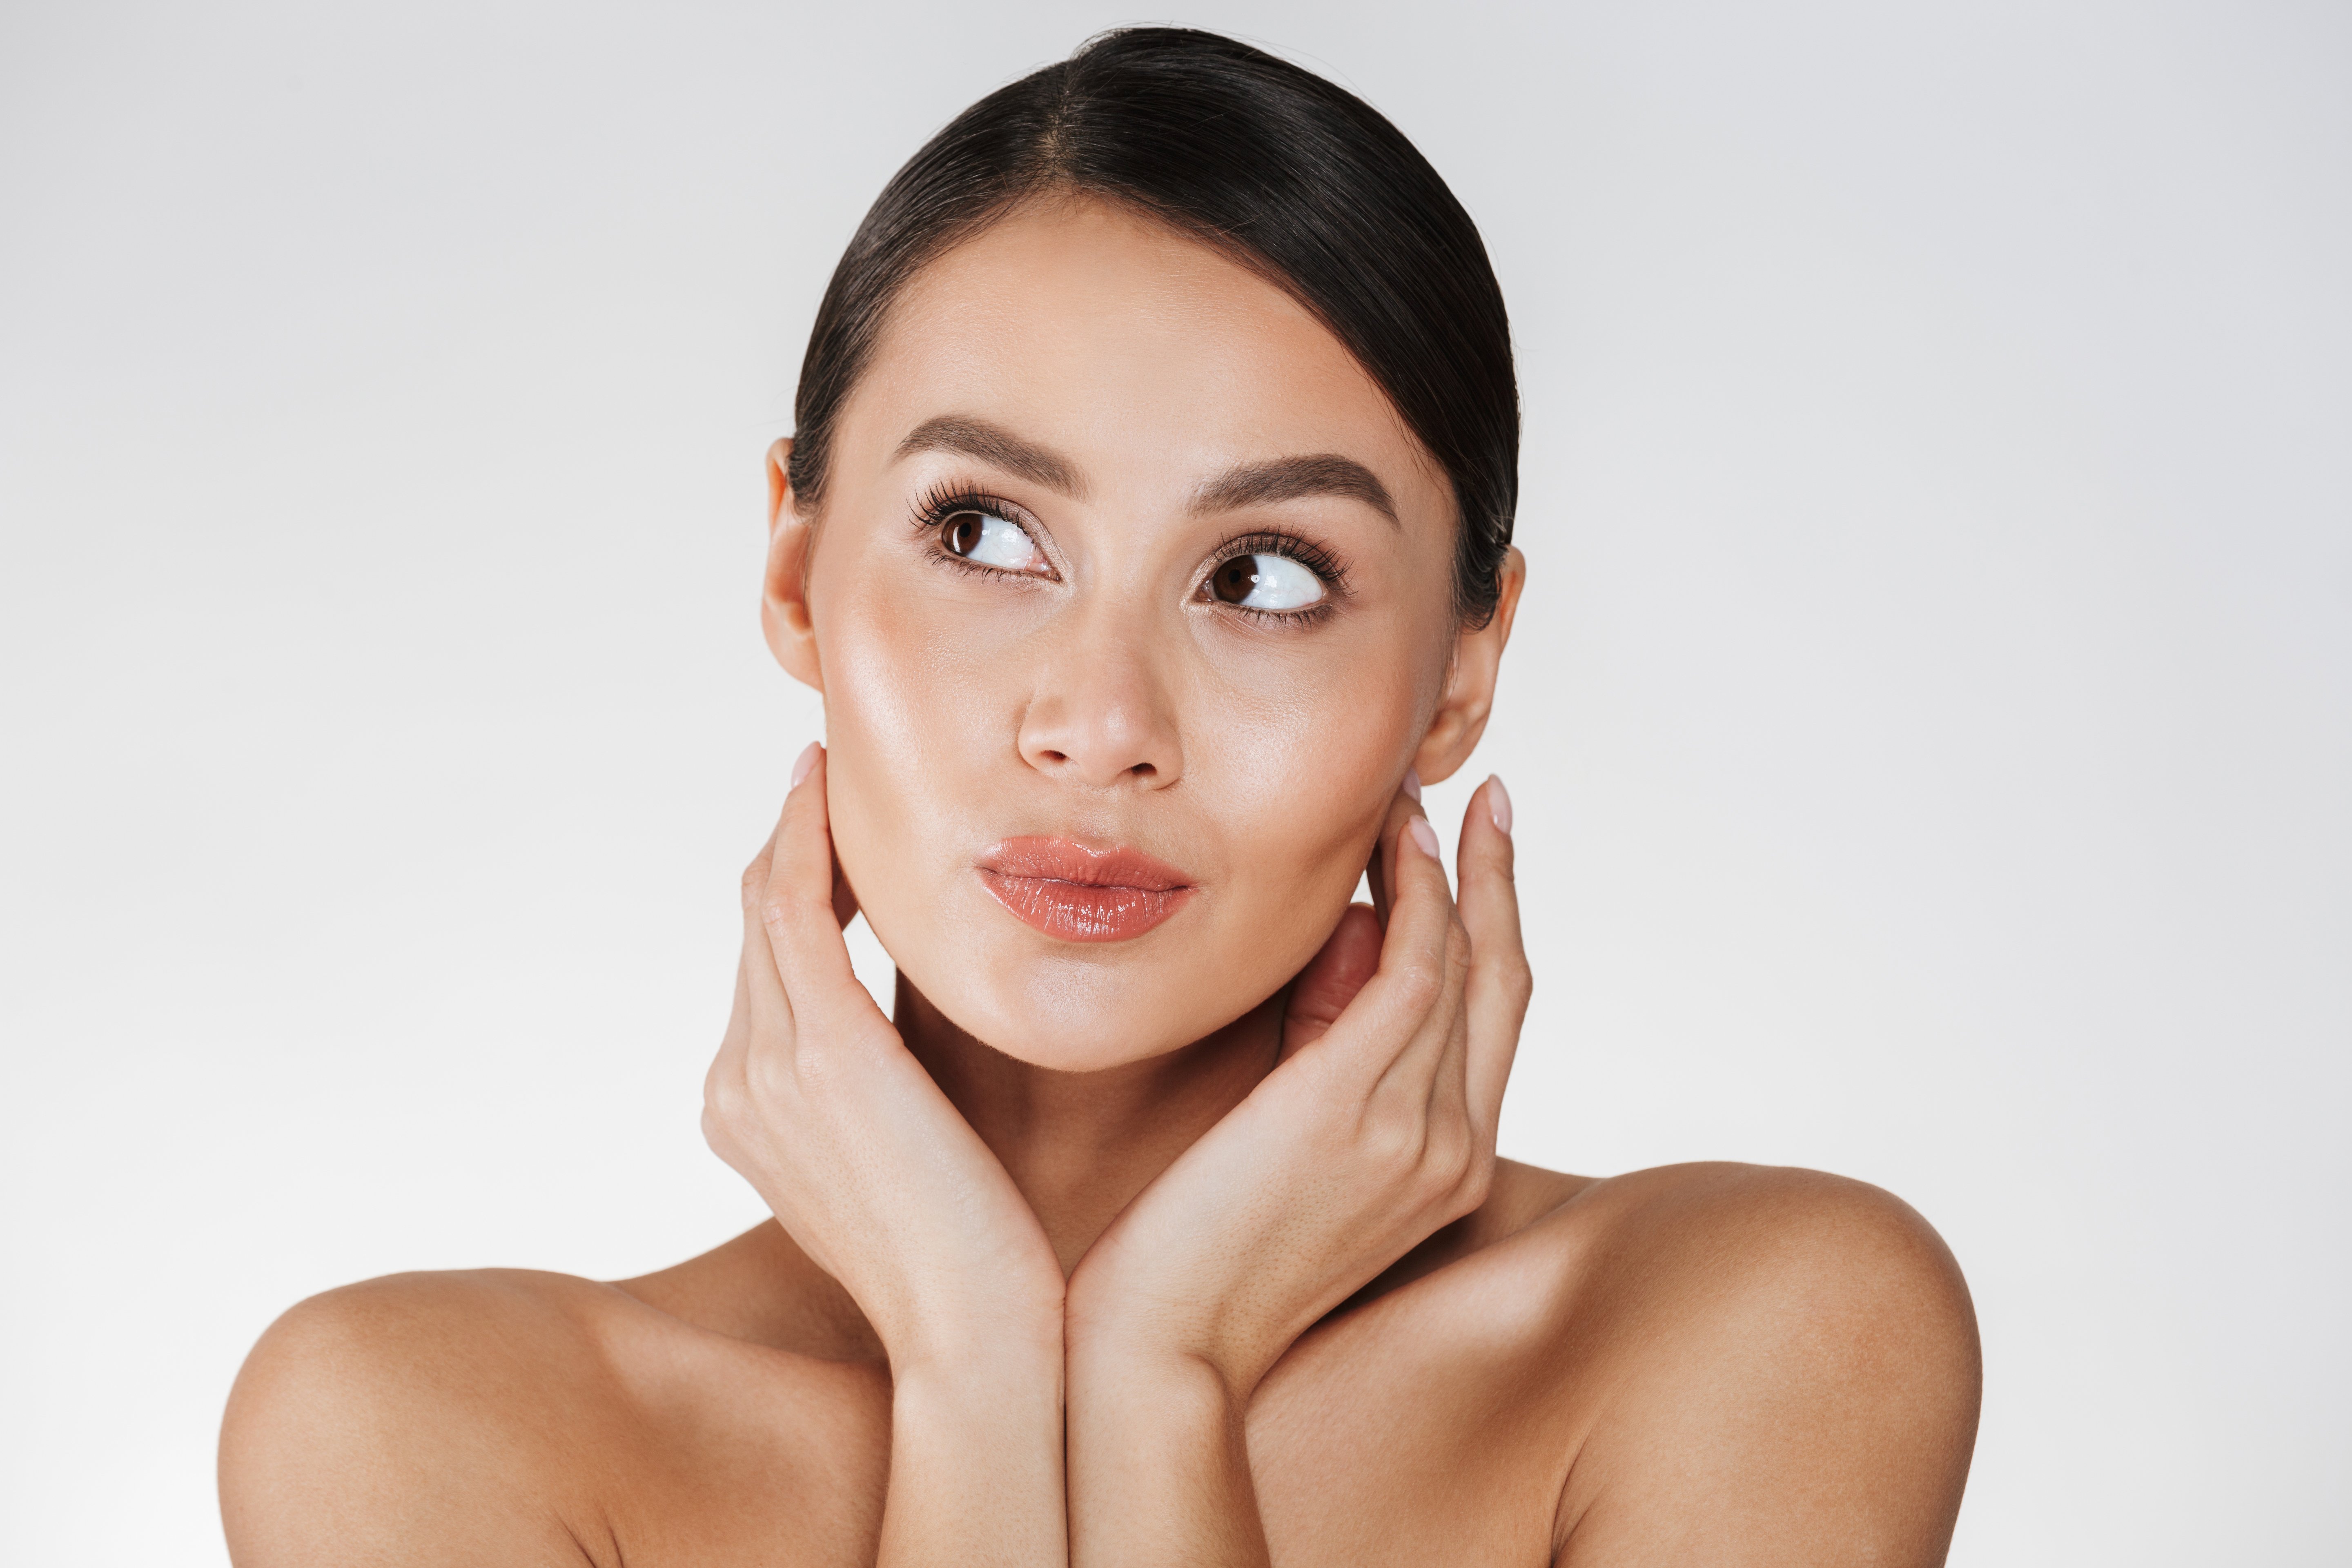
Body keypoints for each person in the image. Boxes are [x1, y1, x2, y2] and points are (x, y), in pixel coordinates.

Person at [218, 27, 1980, 1566]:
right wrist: (979, 1359)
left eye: (1265, 577)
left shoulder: (1755, 1335)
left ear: (1463, 670)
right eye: (985, 534)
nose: (1100, 724)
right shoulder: (422, 1436)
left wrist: (1158, 1371)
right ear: (796, 569)